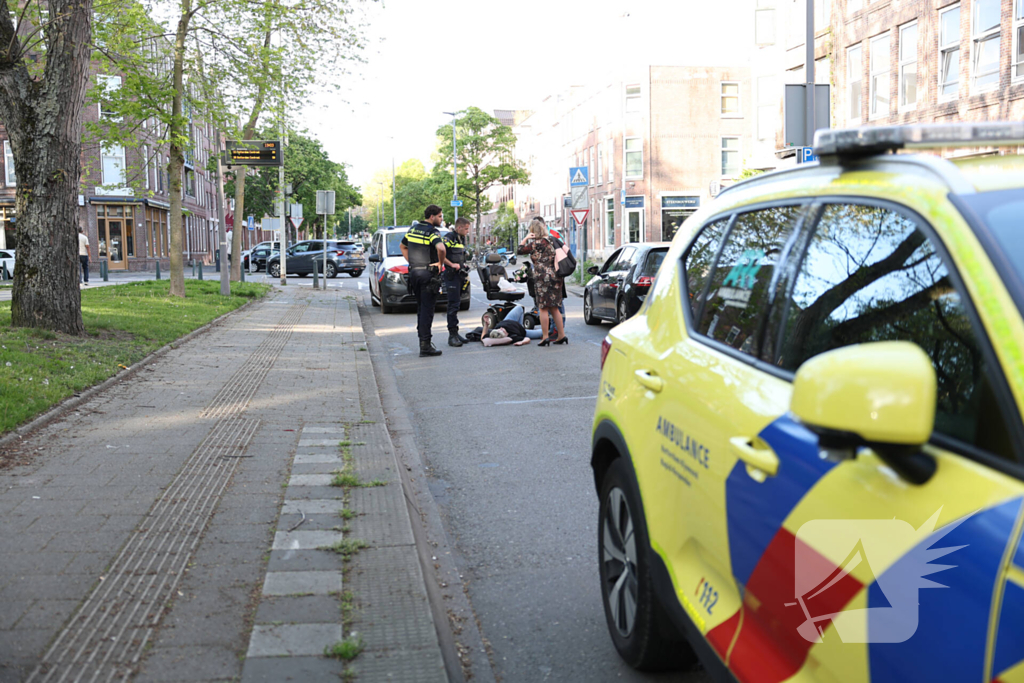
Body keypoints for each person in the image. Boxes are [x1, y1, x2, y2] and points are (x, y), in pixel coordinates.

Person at [400, 205, 447, 357]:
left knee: (421, 309)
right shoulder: (432, 231)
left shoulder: (413, 229)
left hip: (414, 273)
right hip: (428, 275)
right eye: (440, 216)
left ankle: (423, 342)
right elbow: (441, 248)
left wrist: (412, 262)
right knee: (427, 311)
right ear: (432, 216)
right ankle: (425, 346)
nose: (441, 219)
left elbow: (403, 246)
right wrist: (440, 263)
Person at [518, 218, 567, 346]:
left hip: (541, 278)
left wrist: (526, 238)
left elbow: (519, 250)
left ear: (533, 231)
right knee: (555, 308)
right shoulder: (552, 241)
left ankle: (545, 337)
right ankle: (562, 335)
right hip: (556, 277)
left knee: (543, 308)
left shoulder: (533, 244)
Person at [442, 217, 471, 347]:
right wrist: (452, 264)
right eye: (466, 229)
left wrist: (463, 265)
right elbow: (440, 253)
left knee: (457, 304)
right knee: (453, 305)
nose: (467, 231)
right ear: (459, 227)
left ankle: (456, 333)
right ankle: (452, 335)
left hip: (459, 276)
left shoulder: (461, 238)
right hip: (451, 275)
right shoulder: (449, 237)